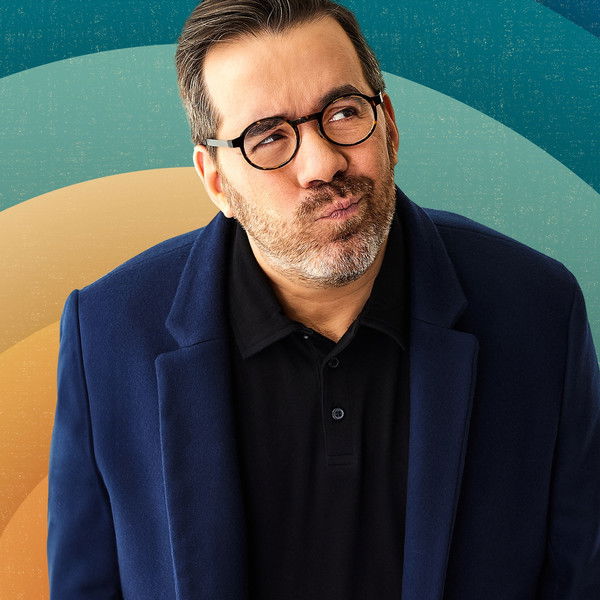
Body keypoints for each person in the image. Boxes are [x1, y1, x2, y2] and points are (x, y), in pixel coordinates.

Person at [47, 0, 600, 598]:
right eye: (268, 138)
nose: (322, 164)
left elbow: (579, 576)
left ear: (388, 124)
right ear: (216, 180)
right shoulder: (107, 333)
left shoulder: (538, 311)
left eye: (343, 113)